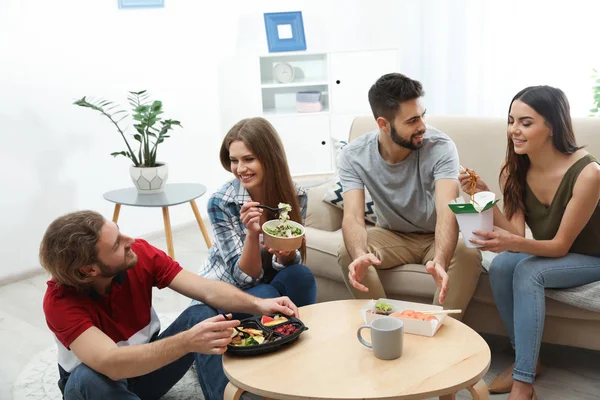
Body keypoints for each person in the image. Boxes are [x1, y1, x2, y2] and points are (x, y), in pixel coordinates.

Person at [40, 210, 300, 400]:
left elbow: (207, 290)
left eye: (119, 232)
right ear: (88, 270)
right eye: (117, 244)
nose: (129, 240)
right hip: (95, 389)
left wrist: (260, 304)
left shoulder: (138, 254)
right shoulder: (60, 301)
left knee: (201, 315)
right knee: (88, 378)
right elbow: (112, 363)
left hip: (147, 370)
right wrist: (186, 342)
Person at [460, 85, 600, 400]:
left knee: (528, 272)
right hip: (559, 254)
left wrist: (510, 241)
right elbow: (517, 236)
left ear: (552, 126)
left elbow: (560, 246)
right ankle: (529, 360)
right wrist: (481, 194)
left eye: (526, 122)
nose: (514, 130)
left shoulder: (588, 172)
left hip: (592, 257)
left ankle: (523, 384)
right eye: (511, 121)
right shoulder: (515, 171)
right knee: (502, 266)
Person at [337, 72, 482, 320]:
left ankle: (441, 330)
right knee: (348, 252)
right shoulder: (354, 155)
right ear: (383, 124)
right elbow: (353, 217)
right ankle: (385, 325)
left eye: (422, 115)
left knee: (467, 251)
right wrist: (361, 254)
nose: (422, 126)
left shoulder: (441, 146)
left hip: (435, 235)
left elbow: (447, 209)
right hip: (392, 235)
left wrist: (439, 259)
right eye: (412, 120)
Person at [192, 117, 316, 316]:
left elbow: (290, 265)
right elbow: (244, 279)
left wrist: (287, 252)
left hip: (266, 285)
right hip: (226, 292)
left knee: (301, 276)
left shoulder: (296, 195)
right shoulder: (221, 202)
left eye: (249, 159)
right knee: (267, 294)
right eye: (234, 160)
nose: (240, 169)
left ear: (270, 158)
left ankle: (296, 335)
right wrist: (252, 233)